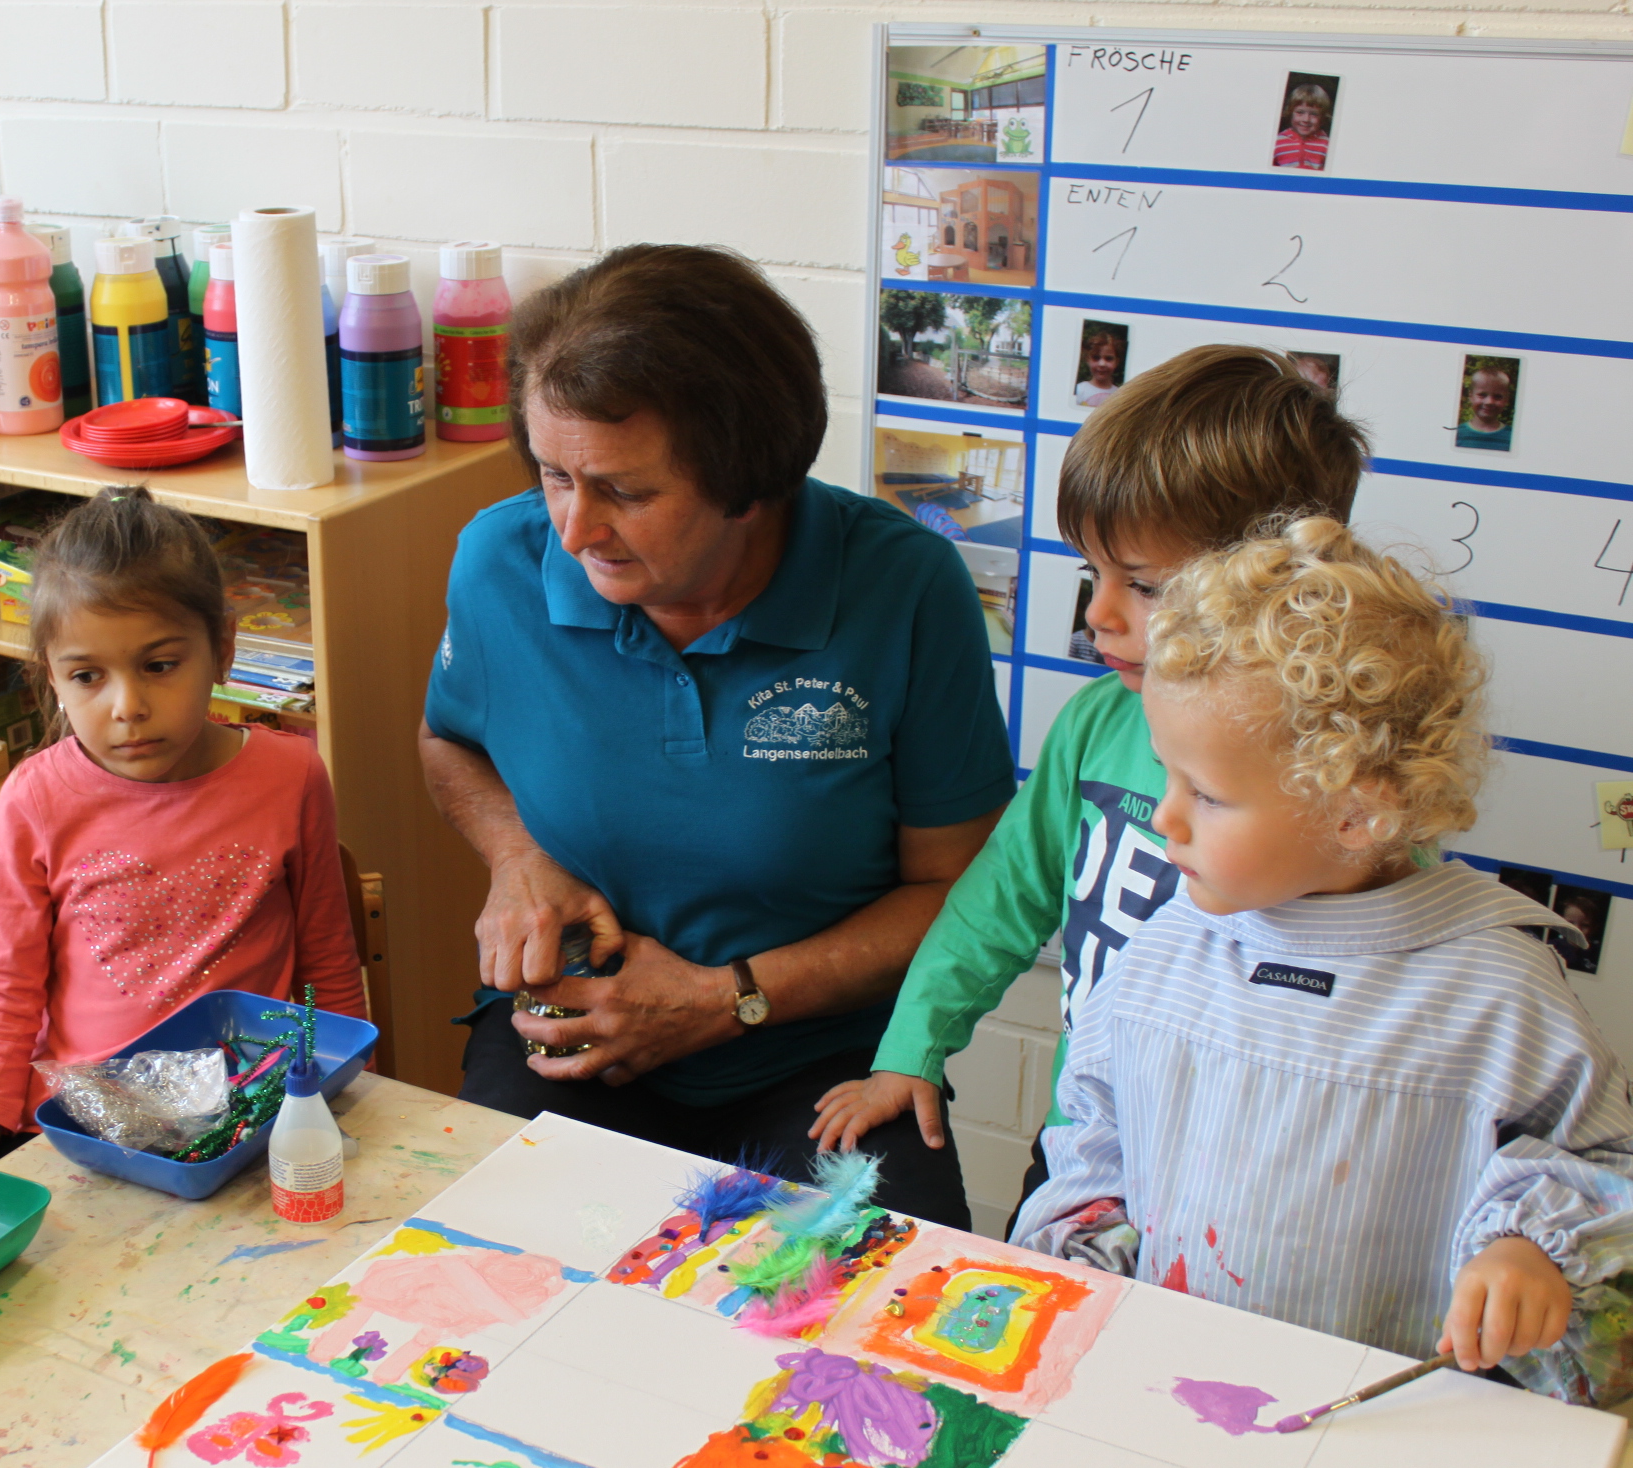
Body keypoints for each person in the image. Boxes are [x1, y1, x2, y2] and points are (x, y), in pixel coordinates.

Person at [420, 244, 1014, 1217]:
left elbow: (959, 891)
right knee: (486, 1302)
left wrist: (725, 995)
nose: (573, 530)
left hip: (823, 1065)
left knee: (878, 1339)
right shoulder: (501, 558)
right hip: (571, 1030)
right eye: (553, 475)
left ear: (750, 477)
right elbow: (450, 741)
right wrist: (515, 849)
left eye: (625, 490)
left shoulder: (905, 591)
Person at [1012, 519, 1633, 1402]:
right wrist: (1085, 1244)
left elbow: (1602, 1166)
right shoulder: (1168, 944)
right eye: (1168, 776)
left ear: (1355, 815)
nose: (1164, 819)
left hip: (1392, 1416)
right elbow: (1096, 1133)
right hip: (1167, 1388)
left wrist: (1528, 1247)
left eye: (1209, 795)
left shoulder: (1497, 987)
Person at [815, 346, 1370, 1214]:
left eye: (1142, 586)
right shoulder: (1095, 724)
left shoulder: (1346, 775)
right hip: (1087, 1143)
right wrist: (911, 1048)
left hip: (1266, 1176)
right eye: (1094, 574)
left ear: (1283, 588)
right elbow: (996, 904)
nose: (1099, 615)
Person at [0, 486, 365, 1164]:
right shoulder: (34, 800)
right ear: (51, 679)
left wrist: (351, 1100)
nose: (129, 706)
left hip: (252, 1122)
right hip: (85, 1133)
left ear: (222, 649)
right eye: (87, 676)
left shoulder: (292, 777)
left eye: (160, 665)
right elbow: (3, 994)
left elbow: (327, 965)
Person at [1457, 362, 1516, 451]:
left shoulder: (1513, 437)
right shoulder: (1457, 434)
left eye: (1497, 396)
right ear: (1471, 396)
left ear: (1506, 400)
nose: (1489, 402)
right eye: (1482, 395)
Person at [1273, 82, 1332, 169]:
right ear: (1290, 112)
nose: (1306, 119)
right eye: (1300, 112)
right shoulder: (1277, 142)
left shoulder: (1327, 144)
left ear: (1322, 117)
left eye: (1314, 114)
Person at [1072, 325, 1124, 408]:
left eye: (1108, 358)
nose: (1102, 364)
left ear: (1117, 362)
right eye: (1096, 357)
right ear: (1087, 359)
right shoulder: (1079, 390)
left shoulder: (1120, 395)